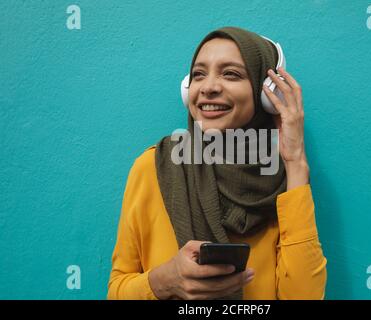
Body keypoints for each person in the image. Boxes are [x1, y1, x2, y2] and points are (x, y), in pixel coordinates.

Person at [107, 26, 327, 300]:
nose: (209, 87)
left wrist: (295, 163)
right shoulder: (153, 167)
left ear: (266, 94)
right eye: (199, 74)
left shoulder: (285, 180)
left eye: (231, 74)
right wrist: (164, 282)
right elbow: (116, 290)